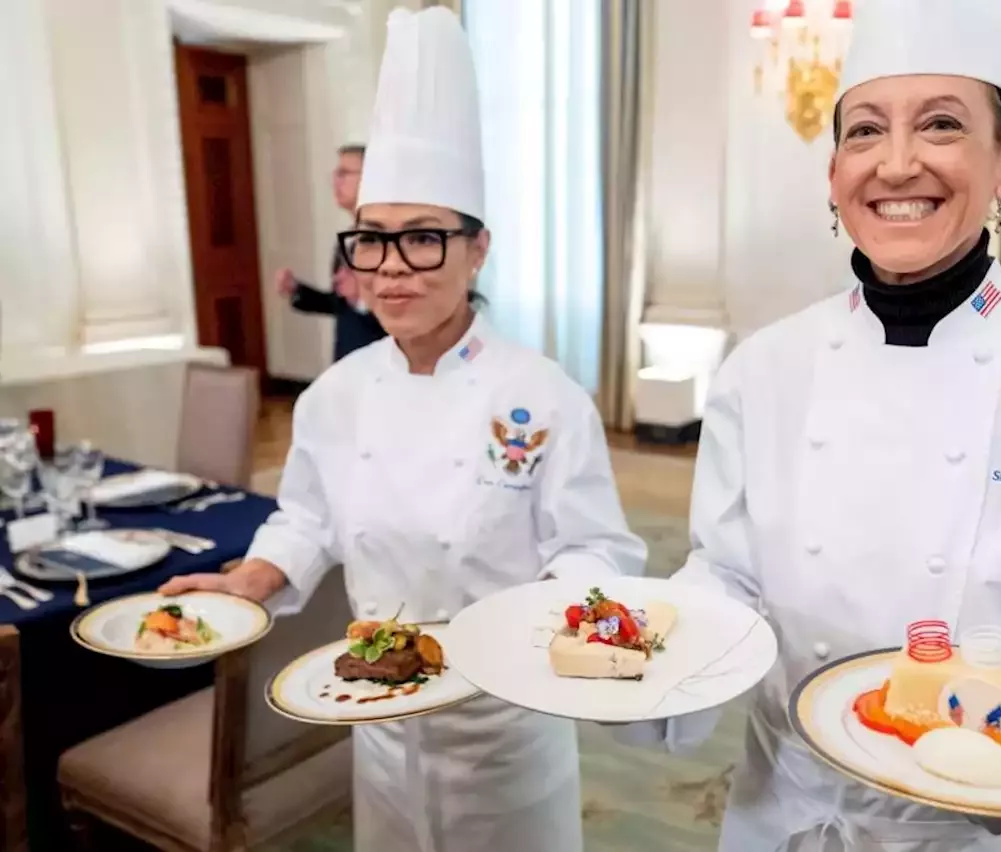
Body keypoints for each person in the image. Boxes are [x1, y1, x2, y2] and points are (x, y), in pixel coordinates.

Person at [615, 0, 1001, 849]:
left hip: (974, 819)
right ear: (833, 174)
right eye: (864, 131)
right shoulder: (762, 369)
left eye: (940, 125)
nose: (895, 164)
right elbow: (729, 576)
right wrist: (645, 666)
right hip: (781, 810)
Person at [161, 8, 645, 852]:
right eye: (372, 242)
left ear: (477, 248)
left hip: (505, 727)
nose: (389, 268)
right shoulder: (335, 395)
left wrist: (568, 606)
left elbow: (595, 547)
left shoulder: (546, 396)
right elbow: (308, 516)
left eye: (422, 240)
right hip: (376, 716)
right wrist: (255, 578)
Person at [274, 143, 387, 361]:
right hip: (345, 366)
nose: (334, 181)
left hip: (379, 367)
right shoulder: (347, 240)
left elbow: (411, 314)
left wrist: (364, 299)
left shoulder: (389, 240)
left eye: (344, 173)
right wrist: (297, 290)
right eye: (335, 174)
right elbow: (340, 305)